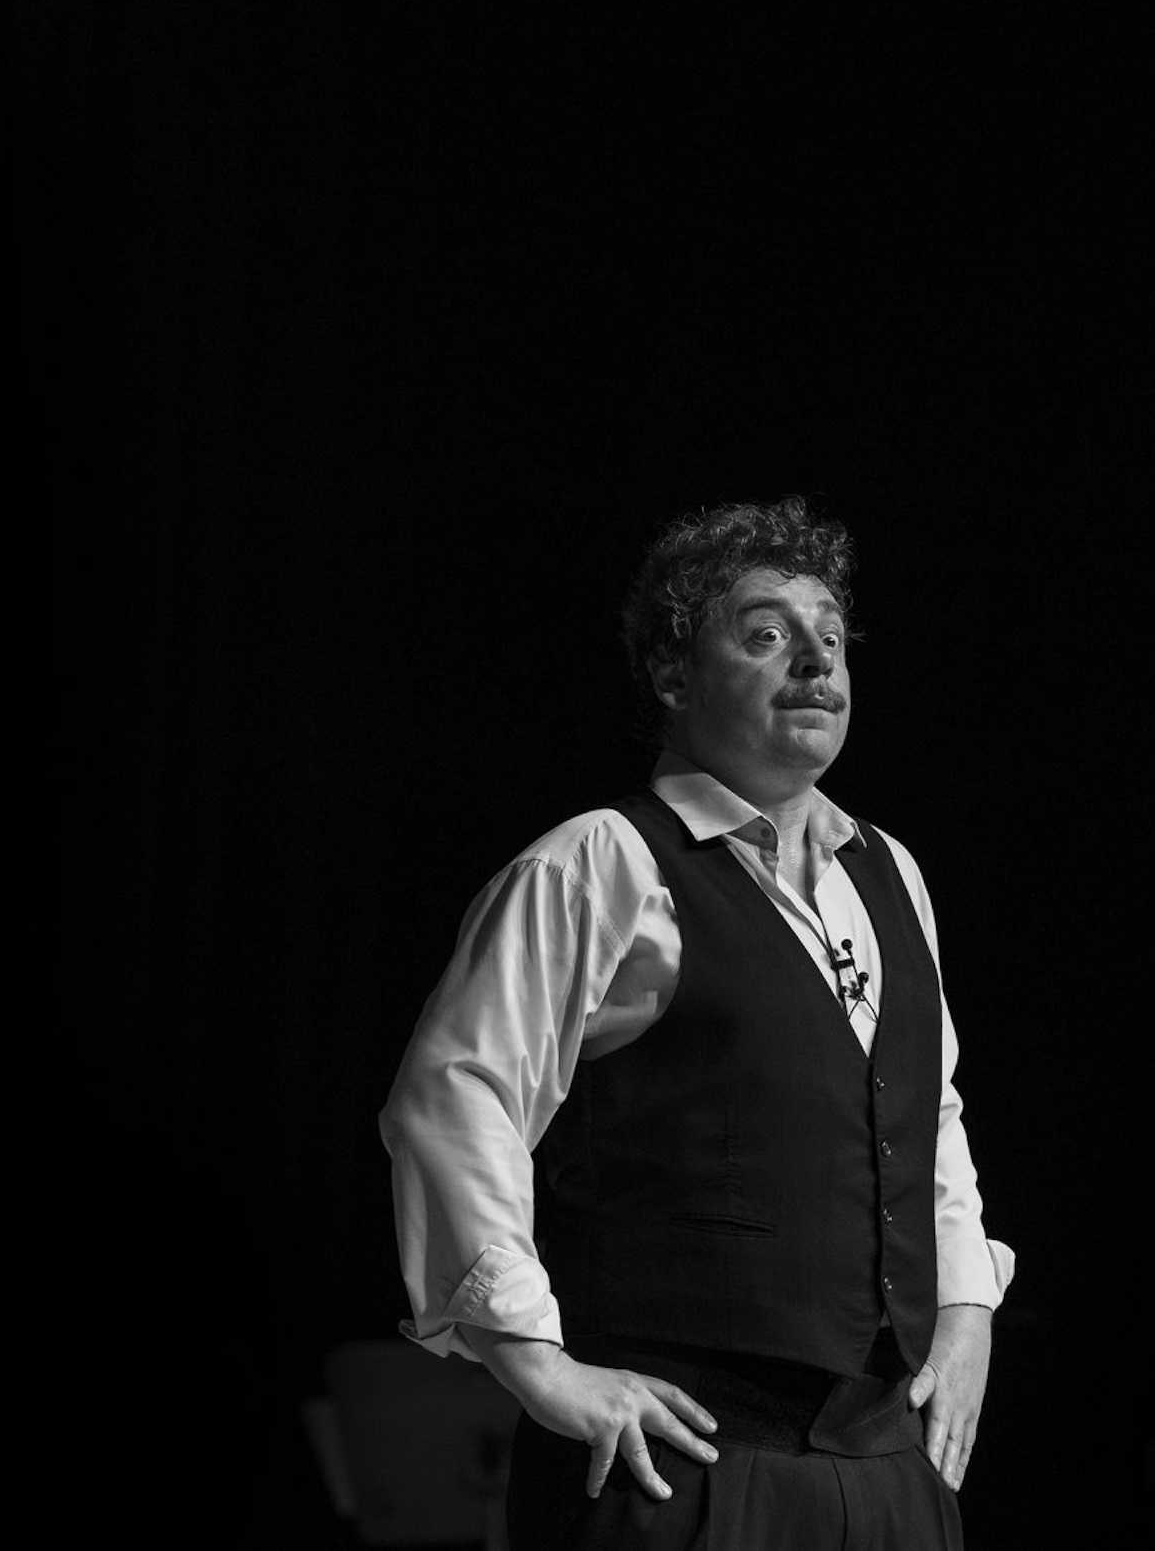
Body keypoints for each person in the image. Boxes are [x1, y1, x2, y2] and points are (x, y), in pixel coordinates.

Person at [380, 496, 1015, 1549]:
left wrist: (964, 1310)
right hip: (682, 1470)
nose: (814, 659)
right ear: (674, 675)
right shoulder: (599, 864)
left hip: (885, 1468)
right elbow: (456, 1101)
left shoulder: (890, 872)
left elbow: (924, 1112)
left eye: (830, 636)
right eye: (766, 634)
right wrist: (537, 1363)